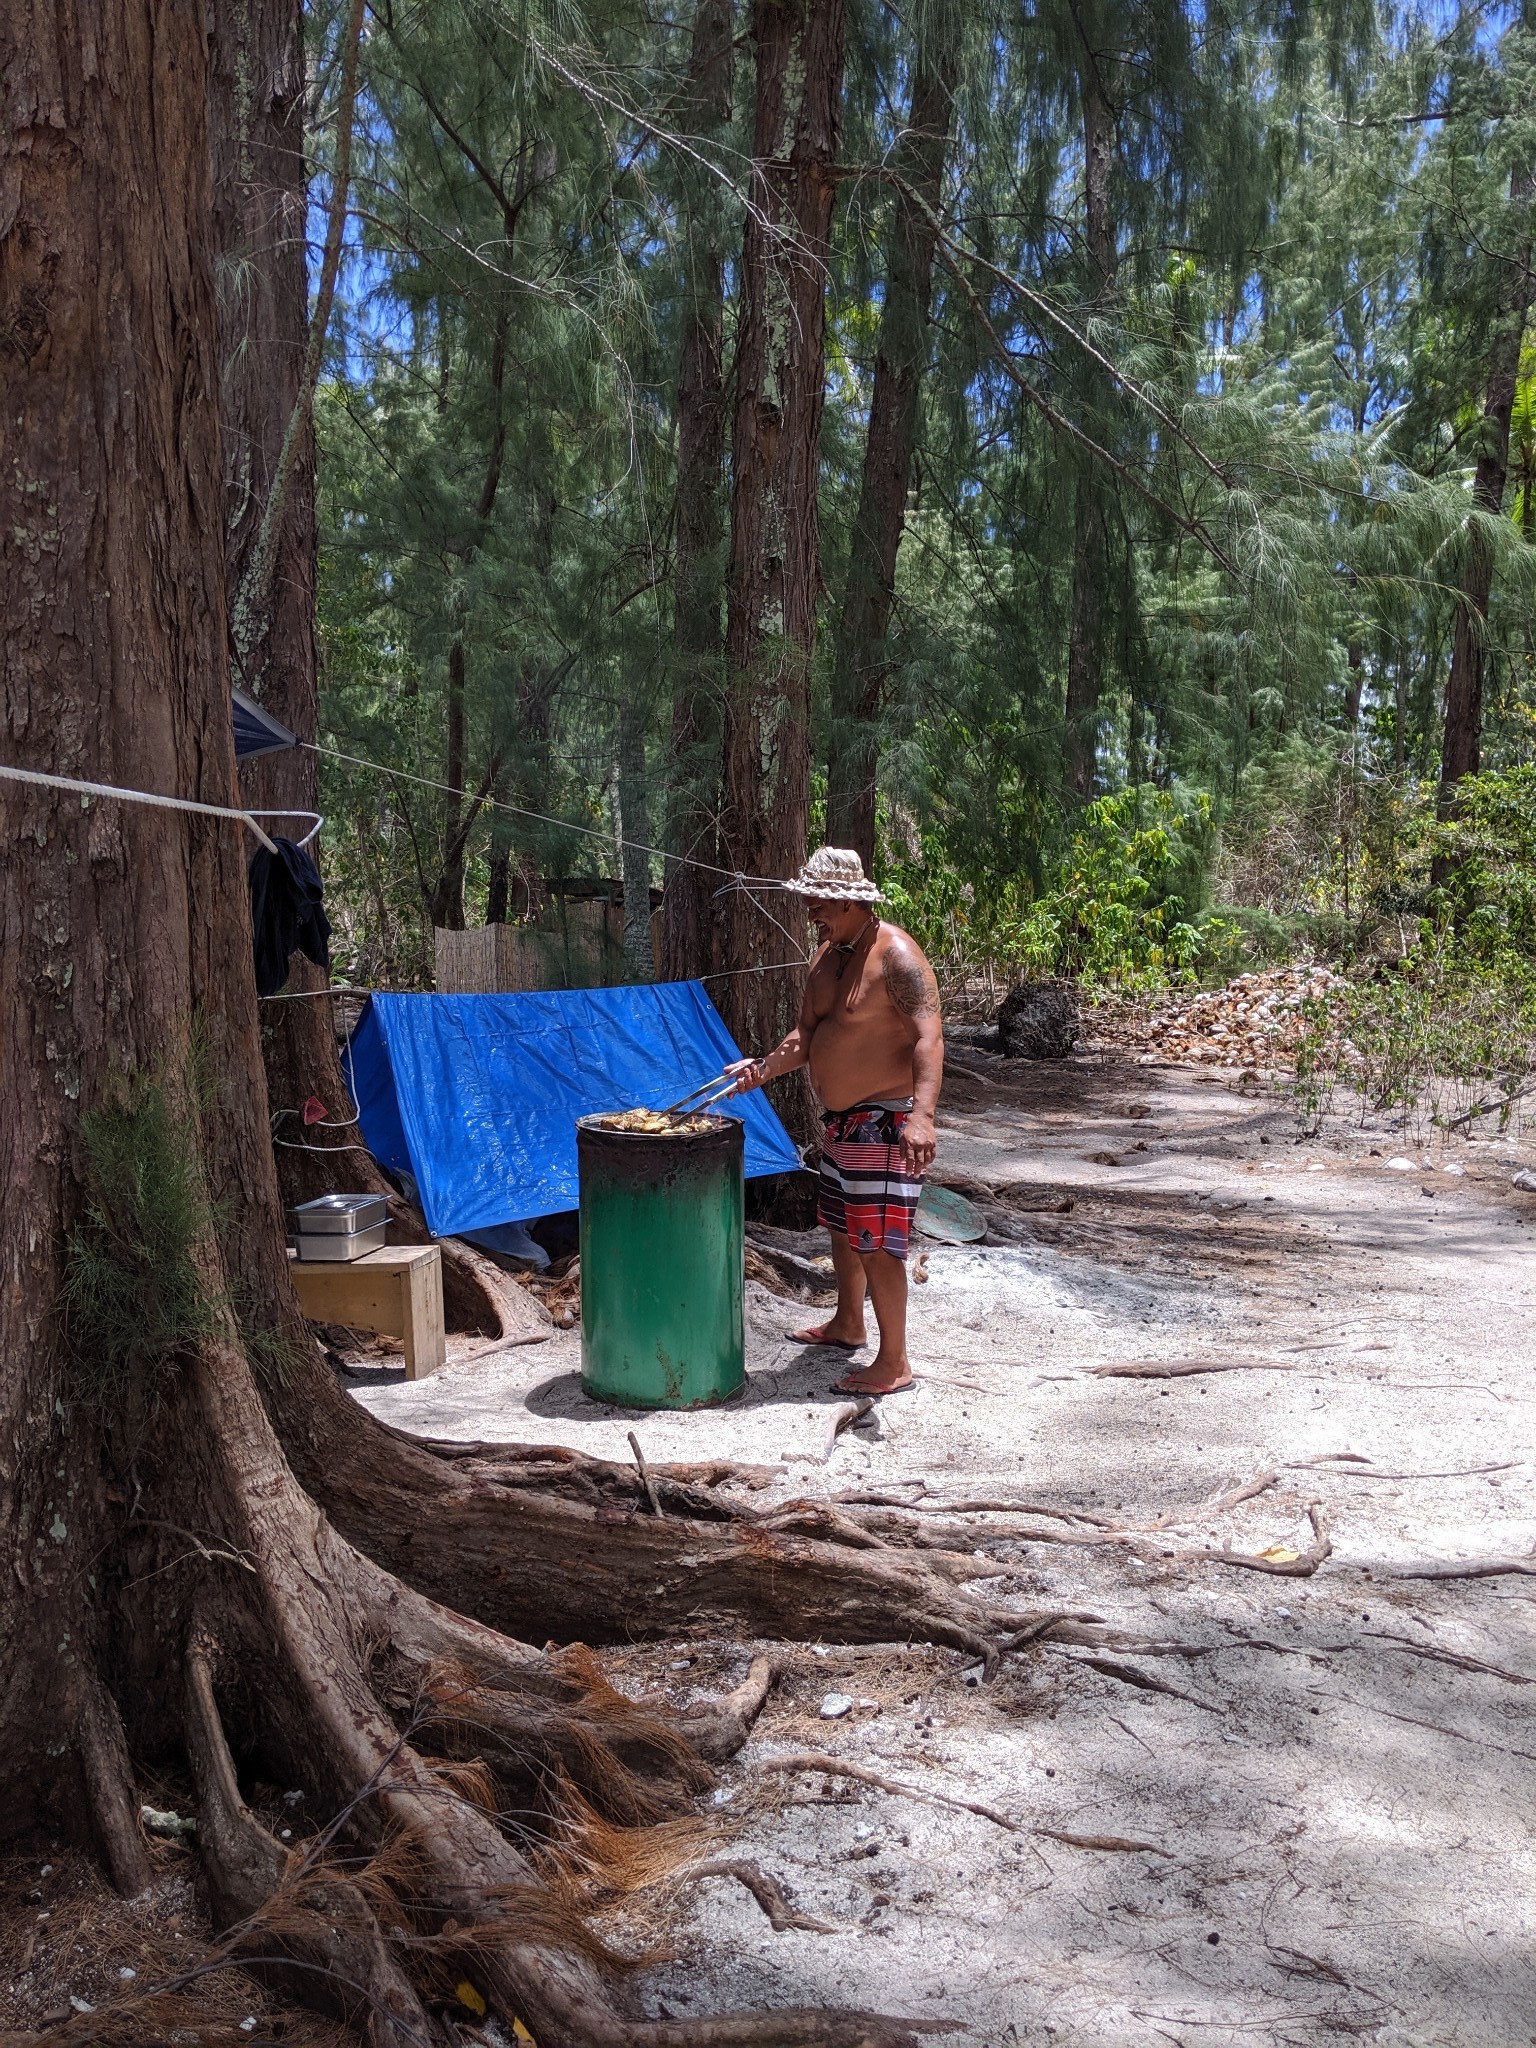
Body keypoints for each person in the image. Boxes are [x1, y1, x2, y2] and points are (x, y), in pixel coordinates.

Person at [726, 845, 944, 1395]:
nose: (810, 911)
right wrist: (764, 1069)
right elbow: (806, 1034)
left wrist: (922, 1115)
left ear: (850, 900)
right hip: (843, 1121)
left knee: (875, 1240)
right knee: (844, 1228)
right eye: (809, 900)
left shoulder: (897, 955)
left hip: (884, 1119)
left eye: (819, 901)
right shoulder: (826, 955)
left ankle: (894, 1361)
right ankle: (850, 1323)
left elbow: (928, 1037)